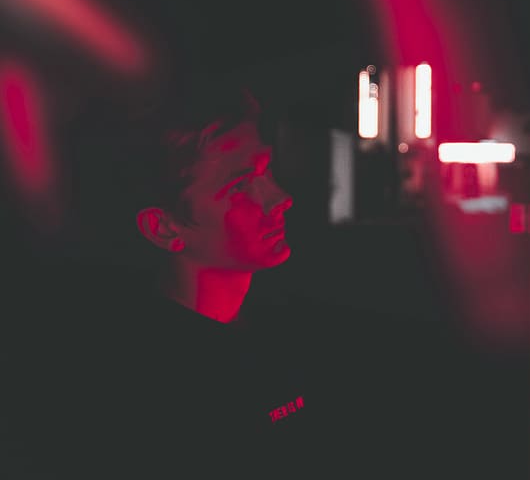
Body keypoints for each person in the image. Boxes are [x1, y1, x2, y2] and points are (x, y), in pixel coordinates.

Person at [8, 79, 432, 478]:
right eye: (241, 186)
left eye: (264, 171)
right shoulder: (145, 399)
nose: (280, 199)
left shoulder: (293, 322)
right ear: (164, 229)